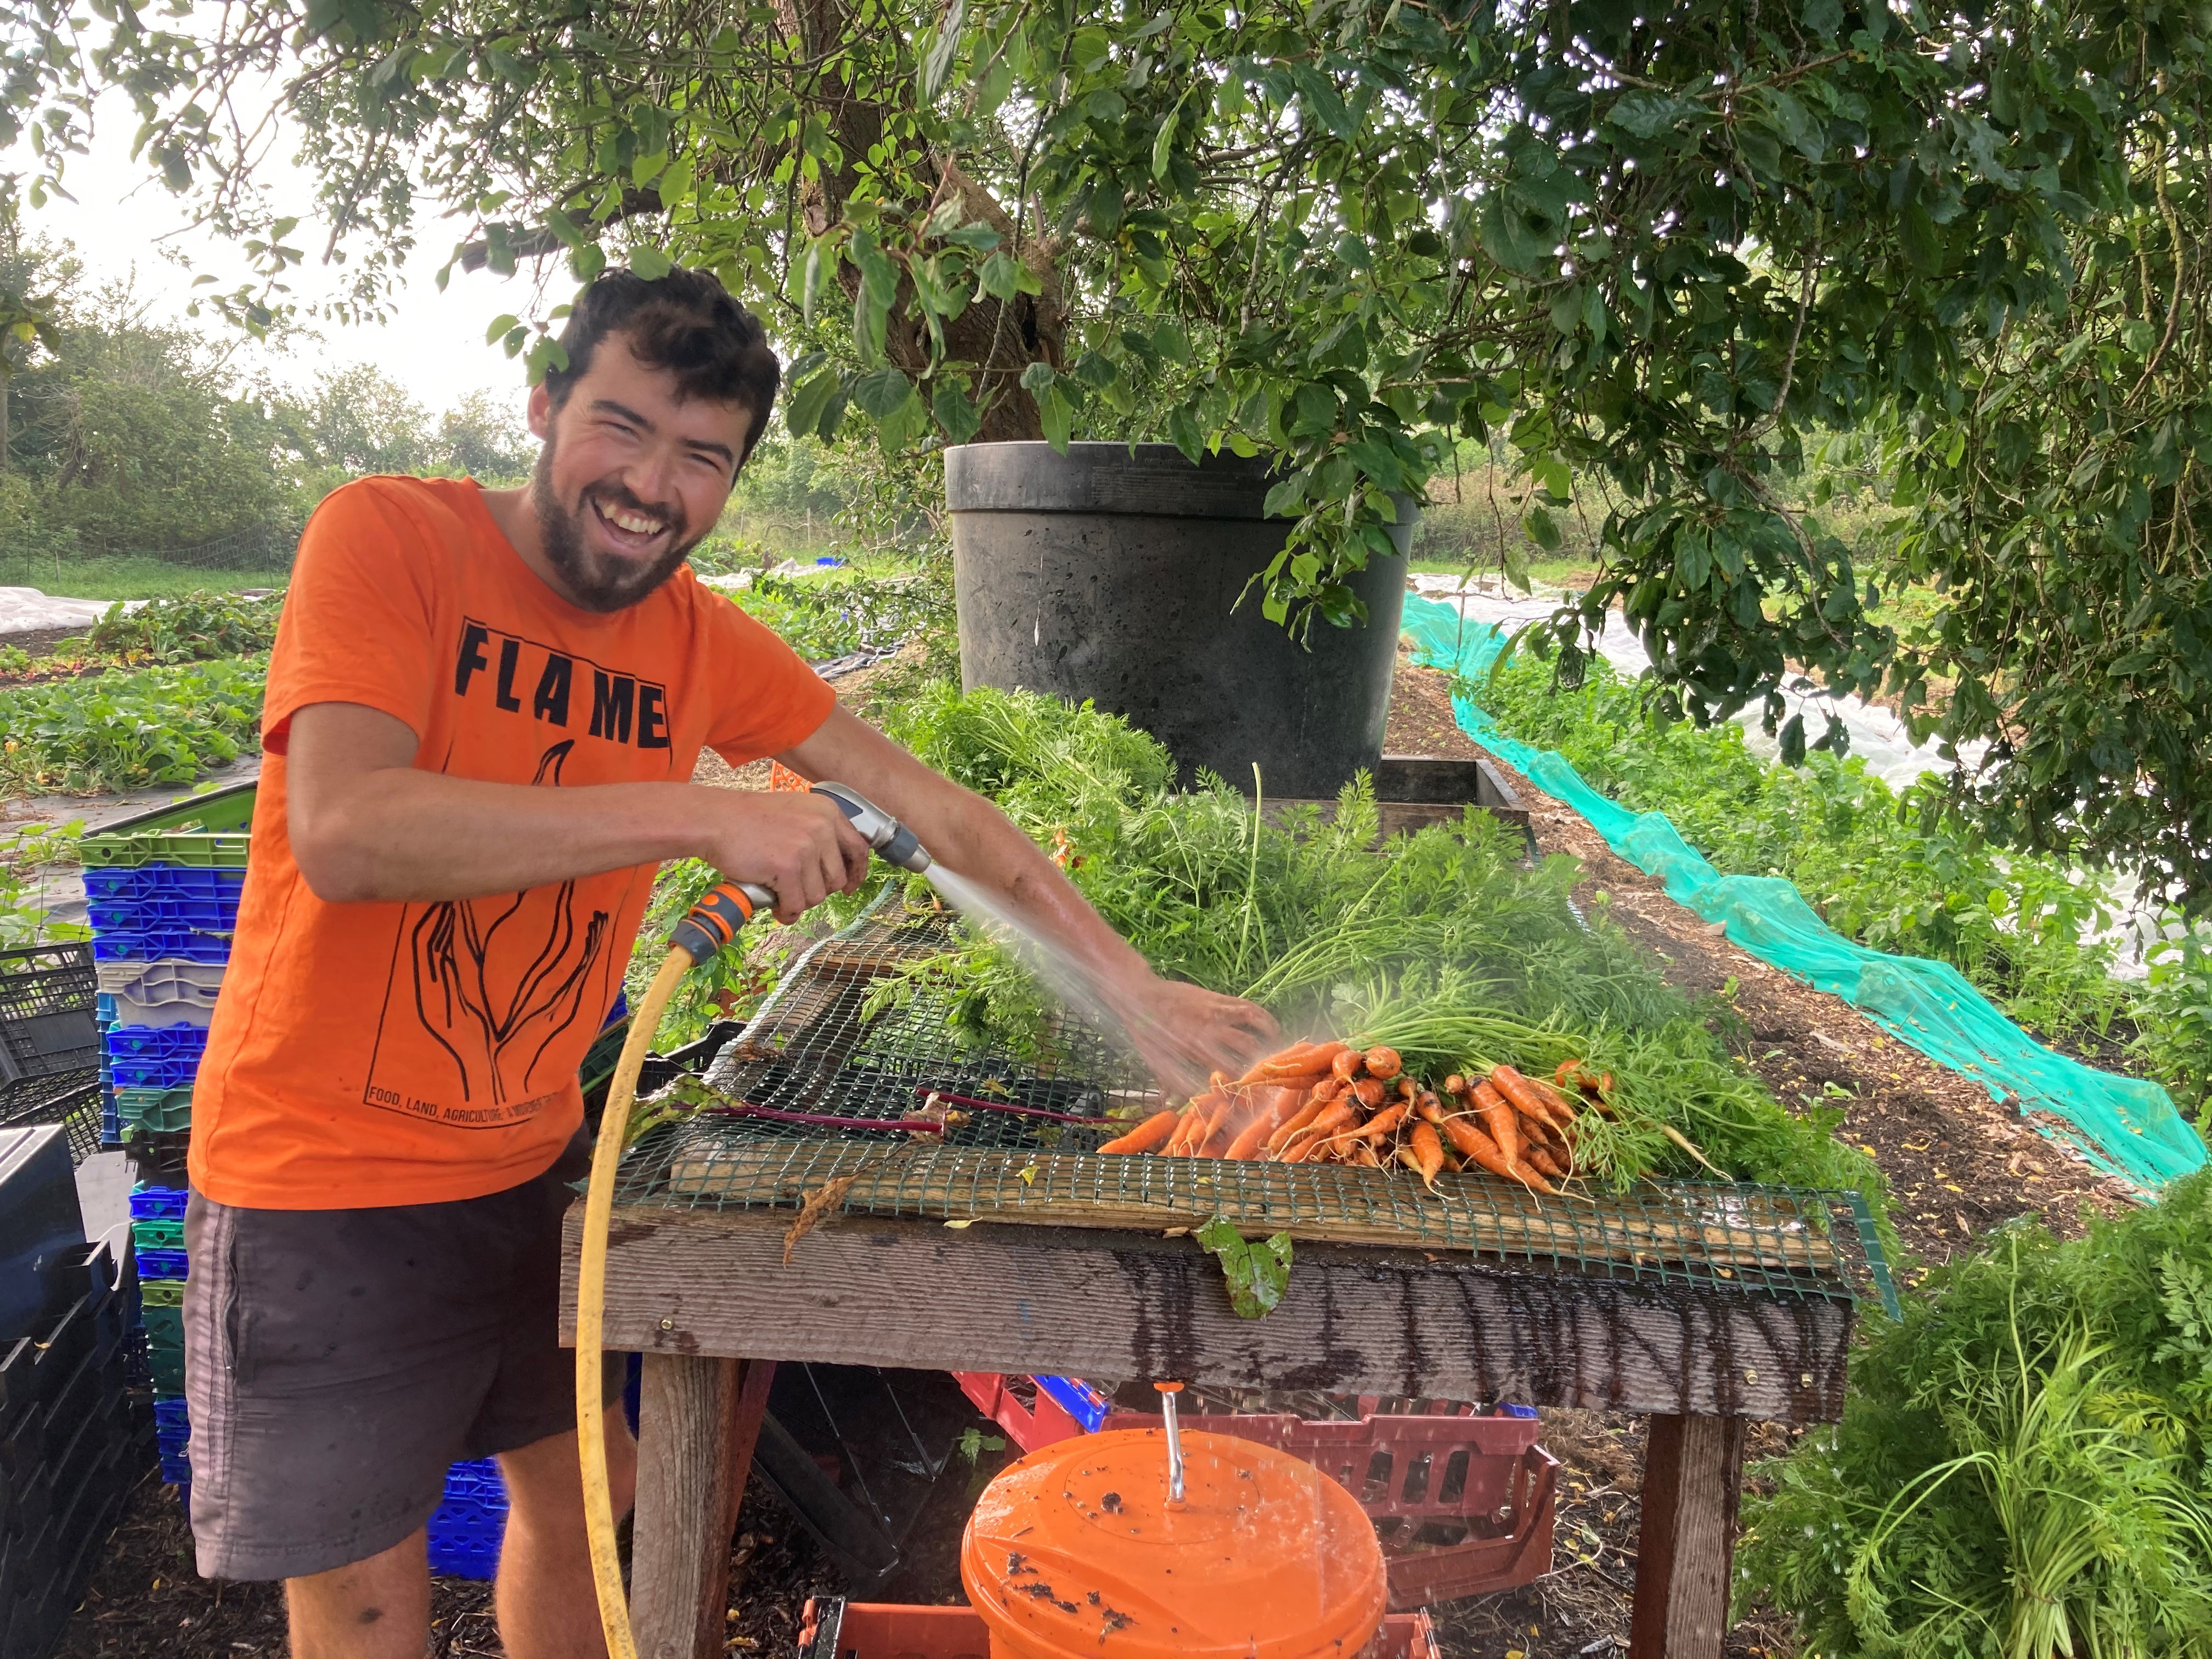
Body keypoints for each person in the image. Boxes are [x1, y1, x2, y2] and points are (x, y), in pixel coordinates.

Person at [182, 266, 1279, 1659]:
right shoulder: (391, 540)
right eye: (622, 427)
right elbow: (346, 830)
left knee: (593, 1504)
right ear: (543, 406)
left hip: (534, 1160)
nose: (651, 484)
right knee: (367, 1595)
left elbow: (941, 815)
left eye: (701, 456)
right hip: (322, 1182)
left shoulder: (699, 642)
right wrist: (712, 809)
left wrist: (1128, 980)